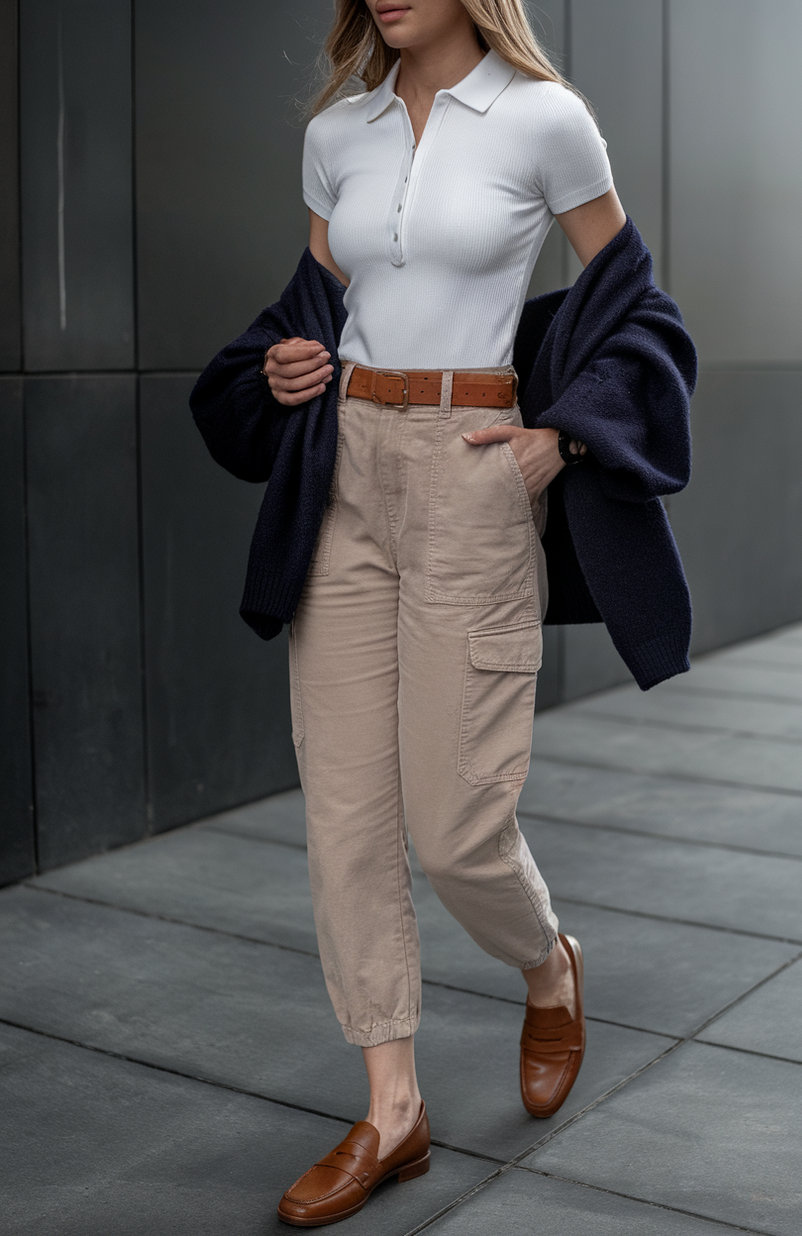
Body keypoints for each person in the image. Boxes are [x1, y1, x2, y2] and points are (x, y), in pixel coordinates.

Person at [190, 0, 695, 1226]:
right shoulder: (339, 132)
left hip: (472, 462)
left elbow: (639, 312)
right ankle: (393, 1108)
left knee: (455, 820)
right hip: (342, 469)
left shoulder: (544, 121)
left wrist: (558, 439)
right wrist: (280, 367)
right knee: (348, 812)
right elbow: (311, 308)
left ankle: (546, 963)